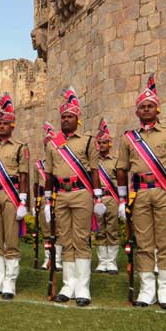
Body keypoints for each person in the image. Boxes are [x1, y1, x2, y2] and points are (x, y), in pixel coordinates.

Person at [115, 74, 166, 310]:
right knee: (144, 242)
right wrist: (122, 199)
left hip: (164, 191)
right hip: (140, 194)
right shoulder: (129, 138)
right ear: (137, 112)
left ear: (158, 110)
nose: (146, 110)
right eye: (142, 107)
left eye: (150, 106)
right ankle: (147, 290)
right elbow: (121, 169)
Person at [43, 88, 102, 306]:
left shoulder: (87, 141)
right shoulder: (52, 144)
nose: (66, 120)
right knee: (65, 240)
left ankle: (83, 287)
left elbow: (94, 171)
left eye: (70, 117)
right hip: (61, 195)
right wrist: (48, 200)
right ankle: (68, 285)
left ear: (77, 119)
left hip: (81, 193)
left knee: (81, 239)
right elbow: (48, 174)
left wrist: (97, 197)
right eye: (63, 117)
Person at [0, 93, 30, 300]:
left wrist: (23, 201)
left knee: (10, 239)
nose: (1, 126)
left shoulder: (20, 147)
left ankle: (10, 281)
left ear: (12, 126)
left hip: (11, 194)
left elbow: (24, 175)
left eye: (5, 124)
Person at [95, 118, 120, 274]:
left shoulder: (116, 161)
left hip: (111, 197)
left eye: (105, 142)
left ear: (109, 144)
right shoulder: (92, 163)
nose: (102, 145)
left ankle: (111, 262)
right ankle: (102, 261)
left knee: (112, 229)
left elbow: (122, 180)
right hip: (97, 198)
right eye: (99, 143)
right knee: (99, 230)